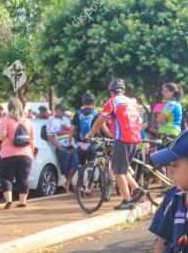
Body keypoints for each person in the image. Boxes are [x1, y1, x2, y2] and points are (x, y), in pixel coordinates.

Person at [85, 79, 145, 210]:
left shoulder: (112, 102)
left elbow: (101, 119)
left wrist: (91, 133)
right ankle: (137, 190)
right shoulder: (132, 103)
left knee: (117, 172)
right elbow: (140, 123)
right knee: (121, 168)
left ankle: (127, 201)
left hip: (122, 139)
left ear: (111, 92)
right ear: (123, 91)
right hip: (135, 139)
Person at [0, 97, 35, 209]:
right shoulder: (28, 121)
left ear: (9, 108)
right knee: (23, 178)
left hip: (8, 154)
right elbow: (32, 139)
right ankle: (22, 201)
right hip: (26, 154)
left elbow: (1, 135)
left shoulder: (6, 119)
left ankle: (8, 200)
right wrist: (31, 152)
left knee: (6, 178)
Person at [46, 104, 77, 192]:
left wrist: (66, 128)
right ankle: (69, 184)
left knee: (75, 164)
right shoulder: (51, 121)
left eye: (64, 110)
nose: (63, 112)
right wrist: (59, 147)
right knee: (65, 167)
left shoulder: (66, 119)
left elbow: (72, 131)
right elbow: (50, 136)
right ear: (56, 110)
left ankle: (68, 183)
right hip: (61, 146)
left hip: (71, 145)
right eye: (62, 110)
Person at [69, 93, 103, 170]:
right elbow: (103, 128)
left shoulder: (77, 114)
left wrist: (69, 144)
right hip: (92, 144)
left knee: (81, 167)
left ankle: (80, 181)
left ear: (83, 102)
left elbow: (71, 130)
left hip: (80, 145)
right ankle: (90, 180)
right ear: (93, 102)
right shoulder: (96, 114)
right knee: (91, 168)